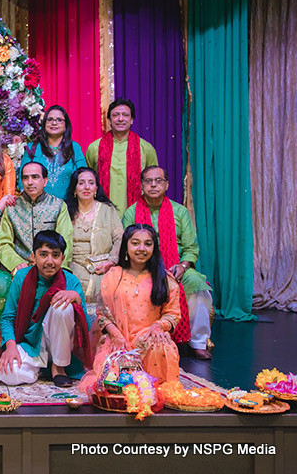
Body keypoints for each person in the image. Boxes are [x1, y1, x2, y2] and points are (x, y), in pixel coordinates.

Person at [0, 231, 90, 386]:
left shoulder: (71, 281)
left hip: (62, 349)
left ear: (62, 258)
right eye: (43, 254)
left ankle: (58, 369)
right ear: (33, 256)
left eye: (55, 255)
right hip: (31, 344)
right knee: (8, 374)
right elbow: (8, 317)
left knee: (63, 305)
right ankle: (40, 368)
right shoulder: (22, 277)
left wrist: (76, 299)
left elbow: (85, 326)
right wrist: (11, 346)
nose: (49, 261)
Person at [122, 166, 211, 359]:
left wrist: (183, 266)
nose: (153, 184)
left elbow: (191, 248)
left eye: (159, 181)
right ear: (142, 185)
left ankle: (198, 342)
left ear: (167, 184)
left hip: (175, 267)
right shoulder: (132, 212)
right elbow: (126, 246)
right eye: (148, 181)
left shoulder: (179, 211)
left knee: (197, 283)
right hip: (142, 267)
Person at [79, 224, 181, 390]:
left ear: (154, 248)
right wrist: (115, 334)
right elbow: (102, 314)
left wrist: (158, 326)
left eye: (148, 244)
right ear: (126, 246)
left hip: (149, 339)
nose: (142, 249)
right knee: (110, 382)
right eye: (135, 243)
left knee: (163, 345)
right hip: (119, 339)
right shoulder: (113, 275)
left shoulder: (164, 278)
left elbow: (172, 314)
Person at [0, 161, 73, 274]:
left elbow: (65, 240)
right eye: (25, 178)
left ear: (45, 181)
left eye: (35, 177)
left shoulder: (58, 206)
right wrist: (16, 263)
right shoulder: (12, 207)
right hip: (21, 270)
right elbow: (3, 243)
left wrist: (58, 268)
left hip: (51, 269)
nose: (30, 182)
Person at [85, 98, 158, 216]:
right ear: (109, 119)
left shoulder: (145, 148)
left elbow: (154, 182)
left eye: (125, 115)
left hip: (138, 213)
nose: (120, 119)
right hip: (100, 213)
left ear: (132, 120)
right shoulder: (94, 148)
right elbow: (87, 181)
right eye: (115, 115)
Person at [65, 167, 123, 310]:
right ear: (74, 188)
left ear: (96, 187)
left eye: (91, 183)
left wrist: (110, 262)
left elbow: (120, 238)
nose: (86, 187)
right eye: (81, 183)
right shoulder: (65, 210)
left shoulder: (107, 210)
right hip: (72, 267)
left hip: (103, 267)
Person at [27, 105, 86, 199]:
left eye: (59, 120)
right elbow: (23, 178)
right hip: (36, 206)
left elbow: (83, 176)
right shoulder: (32, 147)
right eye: (50, 119)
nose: (54, 123)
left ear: (66, 125)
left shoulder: (74, 148)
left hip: (68, 207)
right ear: (44, 123)